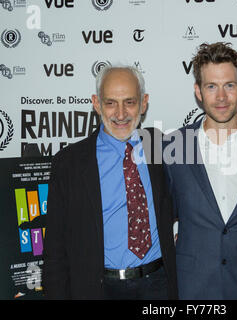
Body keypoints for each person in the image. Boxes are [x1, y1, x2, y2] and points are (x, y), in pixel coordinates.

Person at [43, 65, 177, 299]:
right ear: (96, 103)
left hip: (158, 284)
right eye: (110, 102)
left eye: (130, 102)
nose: (121, 113)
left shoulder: (162, 147)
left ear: (144, 103)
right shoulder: (69, 163)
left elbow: (195, 197)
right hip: (99, 289)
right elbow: (55, 248)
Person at [163, 42, 237, 299]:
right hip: (192, 287)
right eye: (211, 86)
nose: (221, 97)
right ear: (198, 92)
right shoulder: (172, 146)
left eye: (229, 85)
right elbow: (162, 212)